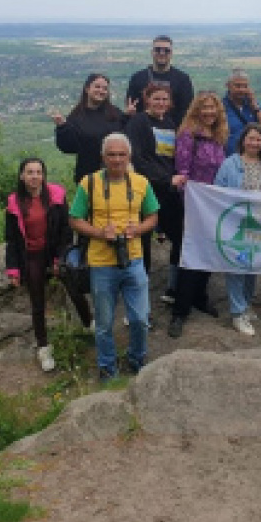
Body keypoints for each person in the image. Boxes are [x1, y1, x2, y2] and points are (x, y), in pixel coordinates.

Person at [69, 133, 159, 380]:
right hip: (101, 262)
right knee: (105, 322)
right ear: (103, 157)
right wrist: (99, 233)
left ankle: (137, 358)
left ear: (129, 156)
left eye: (121, 154)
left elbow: (153, 216)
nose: (117, 160)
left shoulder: (141, 183)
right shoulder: (89, 183)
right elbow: (74, 219)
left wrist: (137, 229)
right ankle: (107, 367)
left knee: (140, 319)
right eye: (111, 154)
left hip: (134, 258)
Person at [4, 158, 75, 373]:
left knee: (73, 285)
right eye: (30, 172)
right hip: (31, 255)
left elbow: (66, 229)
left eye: (38, 172)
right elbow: (12, 239)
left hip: (53, 250)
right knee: (37, 301)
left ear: (43, 175)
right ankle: (43, 346)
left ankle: (89, 323)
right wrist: (13, 268)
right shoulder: (15, 203)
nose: (35, 176)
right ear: (22, 176)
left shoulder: (56, 196)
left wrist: (59, 259)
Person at [167, 91, 228, 339]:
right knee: (189, 254)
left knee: (209, 251)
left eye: (213, 108)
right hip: (192, 205)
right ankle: (180, 311)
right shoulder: (188, 135)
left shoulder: (218, 137)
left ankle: (200, 298)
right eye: (204, 108)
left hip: (213, 205)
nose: (209, 113)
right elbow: (182, 172)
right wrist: (190, 204)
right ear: (196, 110)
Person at [214, 123, 261, 336]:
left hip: (259, 225)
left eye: (259, 139)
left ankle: (246, 303)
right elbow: (218, 192)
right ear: (243, 140)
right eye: (251, 138)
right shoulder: (230, 164)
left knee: (252, 267)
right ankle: (237, 313)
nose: (254, 143)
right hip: (236, 224)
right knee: (236, 267)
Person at [125, 83, 186, 295]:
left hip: (168, 191)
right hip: (146, 191)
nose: (161, 103)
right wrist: (167, 179)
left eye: (164, 99)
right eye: (156, 98)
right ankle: (139, 291)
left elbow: (169, 157)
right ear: (147, 99)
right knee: (143, 243)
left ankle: (174, 287)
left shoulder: (169, 122)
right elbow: (138, 159)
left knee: (181, 237)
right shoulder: (138, 123)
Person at [52, 73, 126, 184]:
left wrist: (129, 117)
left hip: (116, 175)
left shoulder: (115, 113)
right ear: (87, 89)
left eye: (105, 88)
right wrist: (62, 127)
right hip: (88, 176)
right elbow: (68, 147)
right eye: (97, 87)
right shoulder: (77, 116)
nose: (101, 91)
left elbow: (125, 138)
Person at [125, 35, 194, 128]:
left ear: (171, 53)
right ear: (152, 52)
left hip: (173, 133)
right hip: (143, 131)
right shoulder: (137, 78)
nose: (162, 53)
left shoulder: (183, 80)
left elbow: (187, 111)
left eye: (166, 50)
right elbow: (131, 107)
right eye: (158, 49)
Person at [222, 68, 261, 156]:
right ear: (228, 86)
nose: (242, 89)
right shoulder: (221, 107)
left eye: (245, 86)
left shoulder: (254, 105)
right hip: (231, 160)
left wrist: (255, 107)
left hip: (255, 158)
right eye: (238, 86)